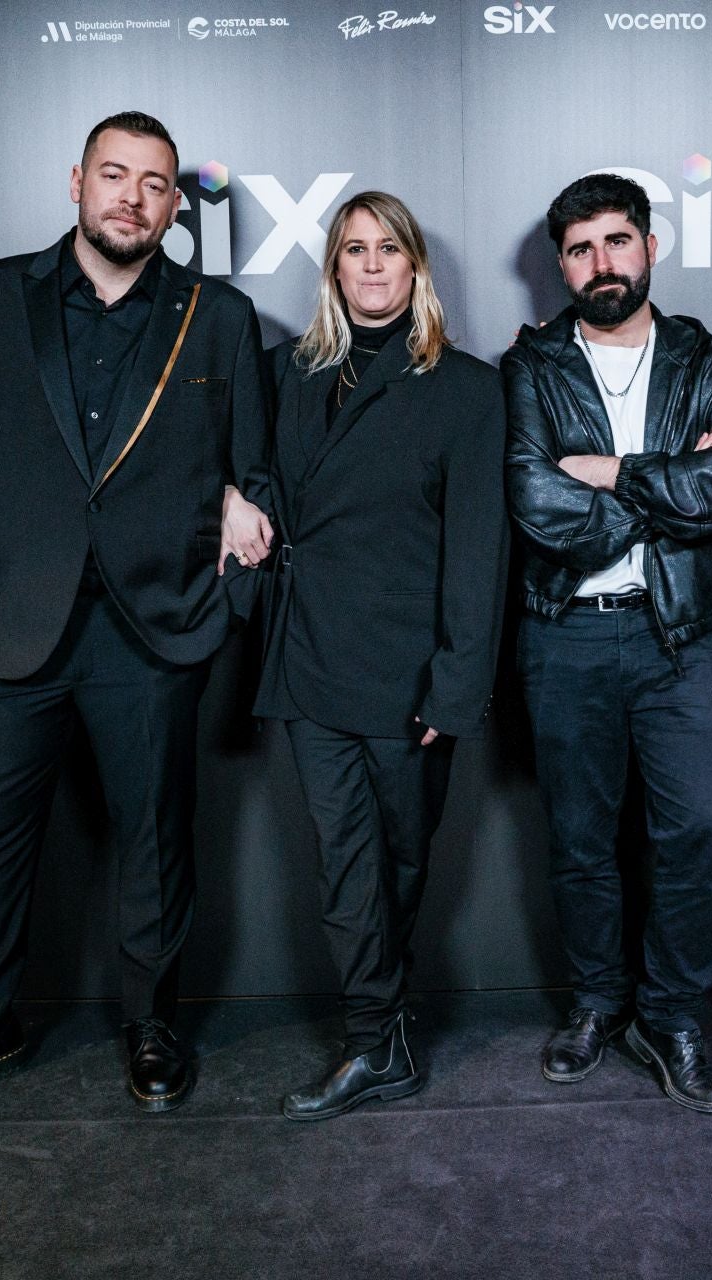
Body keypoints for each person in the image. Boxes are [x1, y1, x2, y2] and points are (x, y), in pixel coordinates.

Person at [0, 111, 274, 1122]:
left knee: (154, 836)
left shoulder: (218, 316)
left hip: (154, 627)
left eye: (154, 184)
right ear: (75, 181)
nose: (131, 198)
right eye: (114, 175)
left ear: (174, 205)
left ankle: (153, 1023)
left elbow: (259, 467)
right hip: (11, 622)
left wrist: (241, 522)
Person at [504, 173, 712, 1114]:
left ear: (650, 247)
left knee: (697, 828)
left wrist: (613, 474)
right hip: (566, 634)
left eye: (617, 241)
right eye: (580, 248)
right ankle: (598, 1003)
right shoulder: (532, 367)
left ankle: (674, 1015)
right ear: (562, 264)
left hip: (679, 634)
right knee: (580, 839)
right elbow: (536, 503)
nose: (601, 263)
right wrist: (667, 492)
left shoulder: (705, 359)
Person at [256, 192, 509, 1120]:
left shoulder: (468, 390)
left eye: (388, 249)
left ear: (415, 268)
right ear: (334, 266)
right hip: (310, 659)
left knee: (400, 863)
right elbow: (255, 482)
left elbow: (479, 553)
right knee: (345, 864)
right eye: (353, 249)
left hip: (411, 676)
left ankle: (386, 1029)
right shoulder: (291, 373)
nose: (370, 265)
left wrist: (457, 684)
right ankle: (373, 1042)